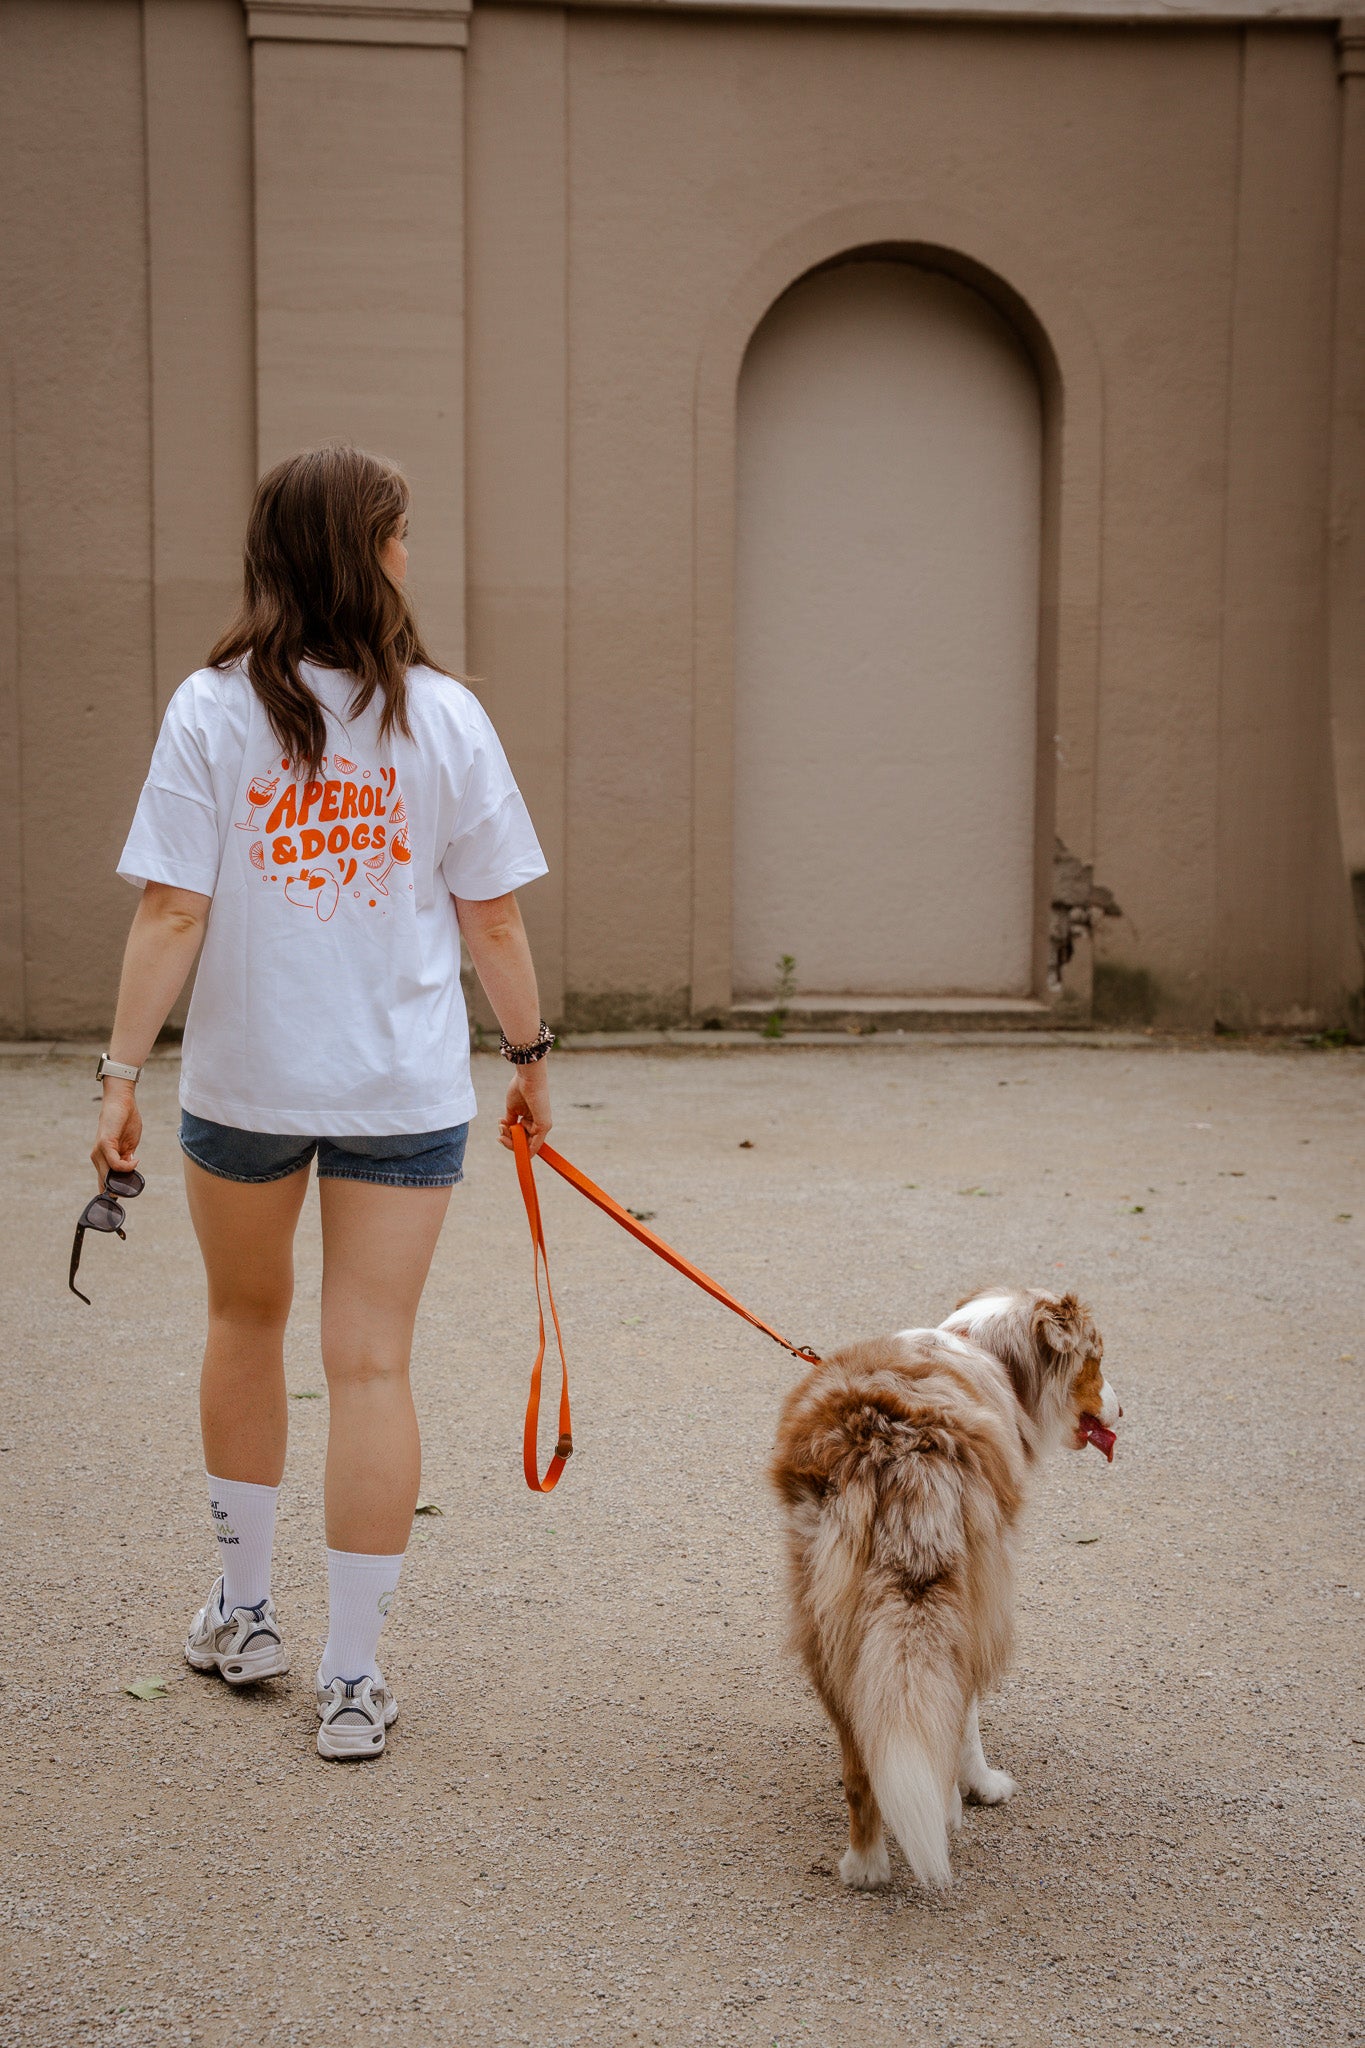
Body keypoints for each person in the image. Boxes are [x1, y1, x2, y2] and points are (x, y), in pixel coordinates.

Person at [91, 444, 553, 1760]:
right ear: (368, 551)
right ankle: (352, 1679)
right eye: (399, 533)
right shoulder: (447, 719)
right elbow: (496, 920)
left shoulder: (210, 708)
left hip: (246, 1084)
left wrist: (121, 1076)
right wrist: (529, 1058)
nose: (410, 554)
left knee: (245, 1324)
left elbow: (172, 907)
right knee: (371, 1366)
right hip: (401, 1092)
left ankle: (247, 1618)